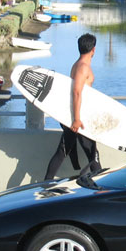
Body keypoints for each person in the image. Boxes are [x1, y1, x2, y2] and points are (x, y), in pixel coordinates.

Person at [44, 33, 101, 180]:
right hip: (78, 118)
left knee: (63, 152)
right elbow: (76, 92)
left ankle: (46, 183)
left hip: (76, 116)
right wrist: (76, 119)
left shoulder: (78, 64)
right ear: (93, 50)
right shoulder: (83, 67)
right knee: (93, 155)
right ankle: (102, 189)